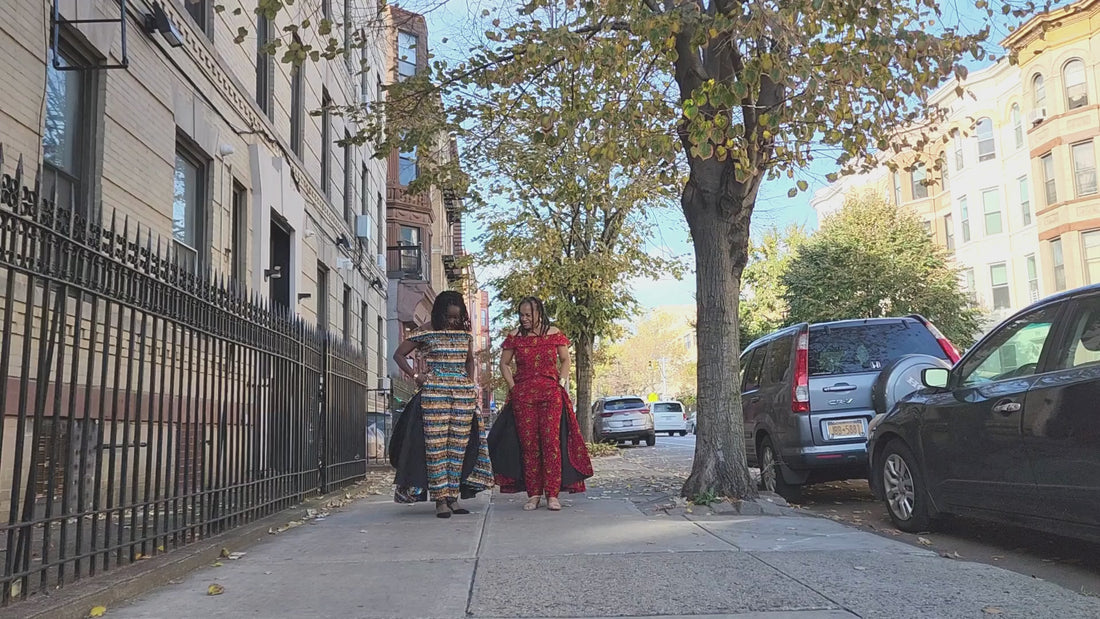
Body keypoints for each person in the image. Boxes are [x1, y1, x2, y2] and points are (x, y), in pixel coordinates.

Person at [390, 291, 493, 518]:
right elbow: (399, 354)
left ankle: (453, 499)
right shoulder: (426, 331)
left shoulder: (465, 335)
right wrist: (416, 376)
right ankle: (440, 501)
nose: (452, 322)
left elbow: (469, 362)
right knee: (436, 448)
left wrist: (470, 385)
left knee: (458, 448)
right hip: (434, 395)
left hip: (462, 397)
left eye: (456, 317)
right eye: (448, 317)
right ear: (439, 313)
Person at [491, 297, 592, 511]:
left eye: (528, 314)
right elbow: (504, 363)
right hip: (523, 396)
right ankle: (534, 494)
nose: (524, 319)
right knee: (529, 445)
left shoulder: (555, 334)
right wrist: (512, 387)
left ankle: (552, 495)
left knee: (551, 442)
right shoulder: (515, 337)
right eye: (521, 315)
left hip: (550, 394)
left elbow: (565, 360)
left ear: (539, 313)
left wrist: (561, 384)